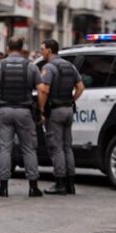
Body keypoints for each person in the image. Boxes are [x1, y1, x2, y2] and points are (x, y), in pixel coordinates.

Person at [0, 36, 43, 198]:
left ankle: (3, 188)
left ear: (7, 48)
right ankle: (33, 187)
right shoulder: (31, 67)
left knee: (4, 149)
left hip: (4, 110)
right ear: (22, 49)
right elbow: (42, 89)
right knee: (29, 148)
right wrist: (41, 108)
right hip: (25, 111)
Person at [38, 39, 85, 195]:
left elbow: (44, 90)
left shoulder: (49, 67)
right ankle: (70, 184)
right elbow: (80, 87)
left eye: (42, 49)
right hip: (68, 109)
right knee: (67, 147)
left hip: (55, 111)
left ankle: (60, 183)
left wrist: (41, 109)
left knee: (56, 147)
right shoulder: (70, 66)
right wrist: (71, 100)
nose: (41, 52)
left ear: (49, 50)